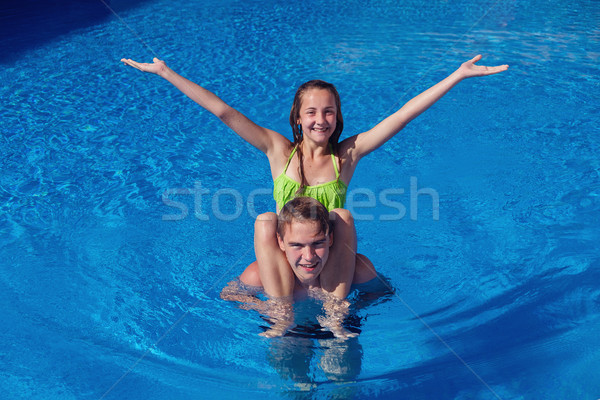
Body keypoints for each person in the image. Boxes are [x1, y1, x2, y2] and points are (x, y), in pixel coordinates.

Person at [120, 54, 508, 308]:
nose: (321, 119)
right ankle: (281, 314)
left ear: (338, 119)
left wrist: (456, 76)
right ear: (298, 118)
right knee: (265, 221)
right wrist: (166, 72)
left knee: (340, 215)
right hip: (288, 261)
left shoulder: (346, 155)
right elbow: (223, 111)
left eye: (329, 112)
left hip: (329, 261)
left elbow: (402, 116)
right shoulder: (277, 150)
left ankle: (336, 315)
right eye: (312, 112)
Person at [221, 196, 378, 338]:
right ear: (281, 243)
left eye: (317, 243)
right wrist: (264, 307)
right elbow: (229, 294)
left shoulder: (357, 270)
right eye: (296, 245)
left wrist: (352, 307)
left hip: (341, 324)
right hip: (286, 328)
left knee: (341, 365)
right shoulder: (259, 275)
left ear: (330, 239)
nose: (308, 257)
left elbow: (379, 292)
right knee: (289, 364)